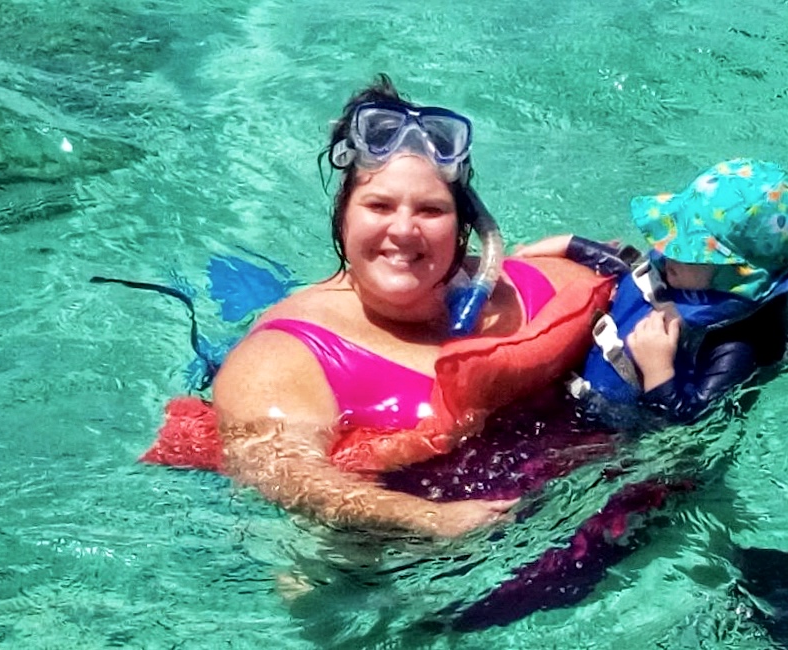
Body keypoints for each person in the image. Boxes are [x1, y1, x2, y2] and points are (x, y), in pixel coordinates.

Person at [210, 74, 610, 539]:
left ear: (465, 225)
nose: (403, 230)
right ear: (343, 215)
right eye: (379, 206)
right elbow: (288, 478)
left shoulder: (525, 293)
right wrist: (429, 519)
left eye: (430, 211)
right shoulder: (281, 359)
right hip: (398, 553)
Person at [516, 158, 788, 426]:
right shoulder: (678, 270)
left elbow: (691, 425)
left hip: (611, 441)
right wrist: (570, 244)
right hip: (572, 394)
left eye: (691, 250)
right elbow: (632, 270)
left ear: (737, 274)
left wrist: (658, 370)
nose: (669, 251)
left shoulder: (735, 347)